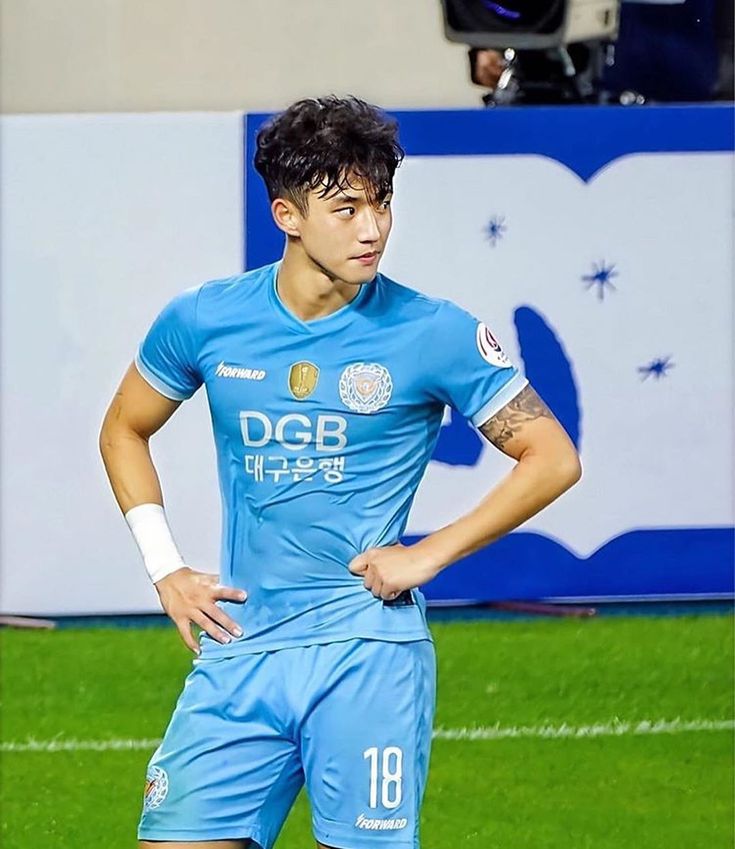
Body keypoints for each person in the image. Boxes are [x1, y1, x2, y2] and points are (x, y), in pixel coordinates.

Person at [99, 95, 582, 849]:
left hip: (367, 657)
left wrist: (428, 553)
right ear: (287, 215)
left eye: (382, 203)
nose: (373, 228)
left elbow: (552, 455)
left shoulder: (434, 331)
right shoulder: (204, 318)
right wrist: (165, 567)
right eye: (346, 207)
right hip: (242, 647)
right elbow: (123, 430)